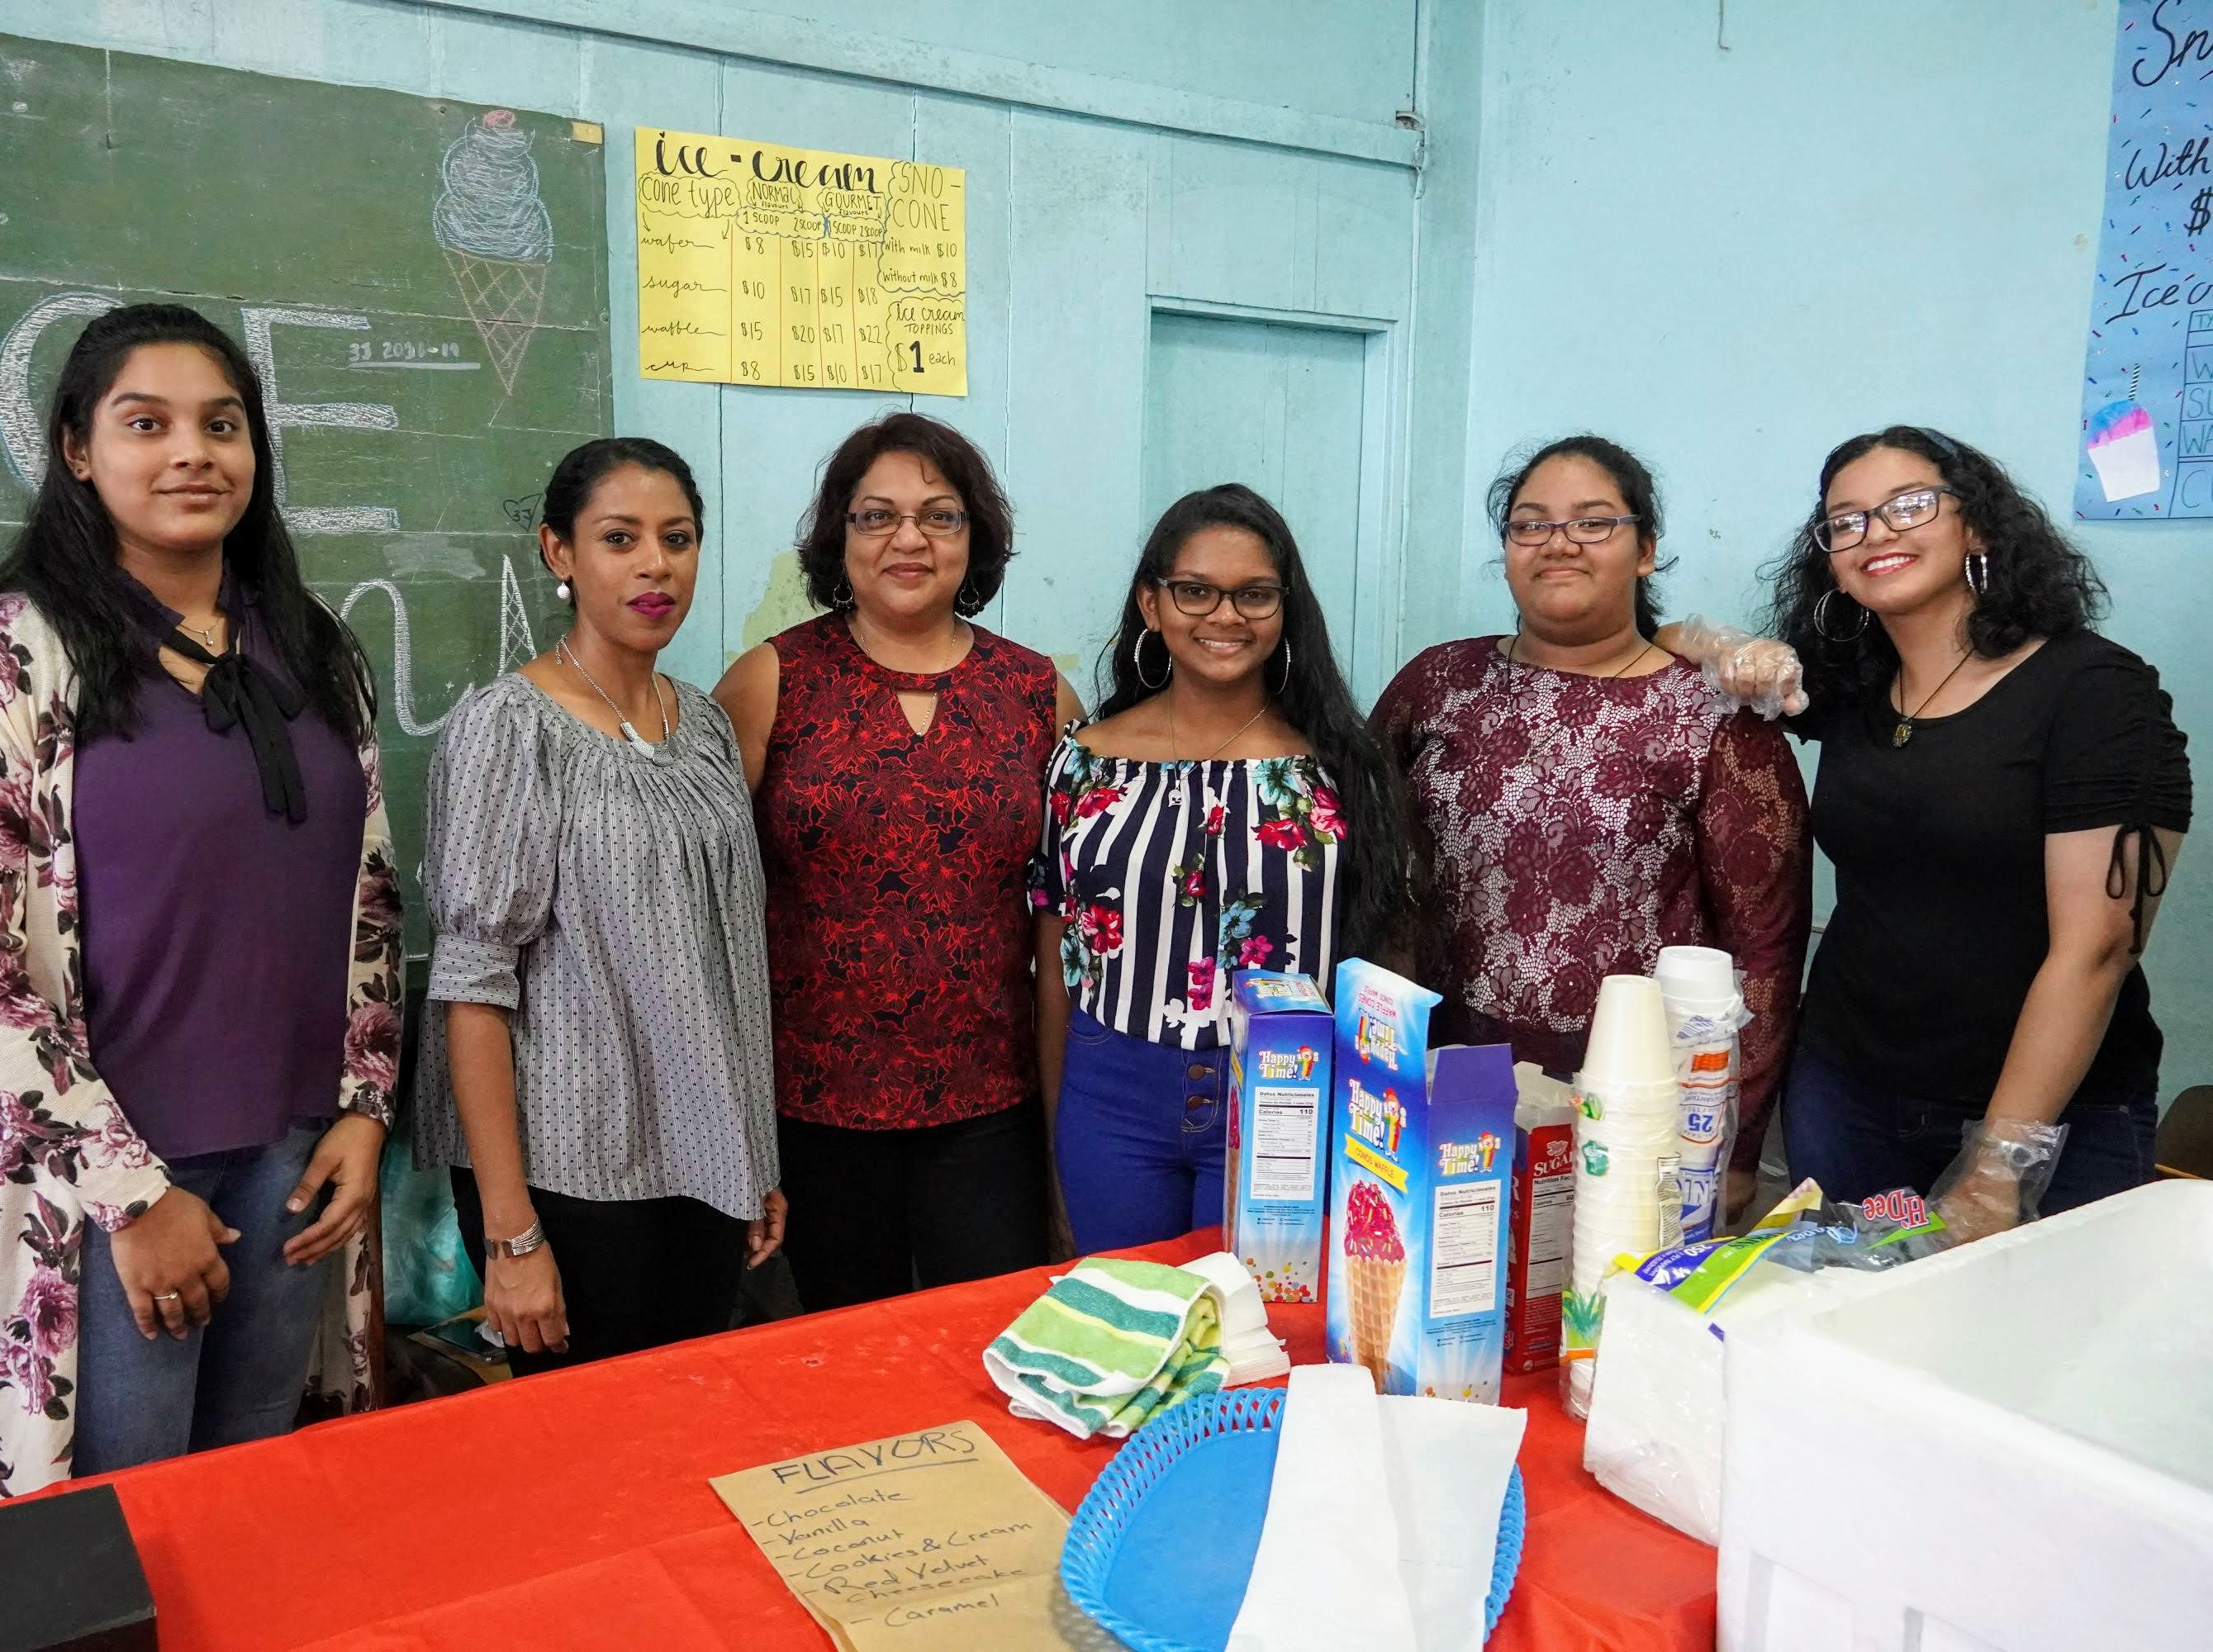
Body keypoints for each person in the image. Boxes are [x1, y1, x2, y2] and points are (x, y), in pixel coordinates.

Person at [0, 304, 401, 1504]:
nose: (192, 453)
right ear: (78, 449)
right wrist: (131, 1190)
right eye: (146, 424)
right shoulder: (1, 657)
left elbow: (373, 895)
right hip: (103, 1189)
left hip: (292, 1161)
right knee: (119, 1529)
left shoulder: (312, 649)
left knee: (253, 1504)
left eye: (222, 425)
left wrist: (366, 1108)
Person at [1743, 425, 2190, 1237]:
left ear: (1977, 526)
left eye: (1910, 504)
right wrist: (1728, 649)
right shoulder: (1854, 689)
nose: (1877, 531)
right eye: (1846, 521)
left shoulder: (2096, 691)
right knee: (1849, 1314)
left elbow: (2098, 949)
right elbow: (1667, 644)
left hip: (2051, 1121)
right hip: (1845, 1090)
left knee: (2033, 1322)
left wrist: (1999, 1161)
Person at [1370, 436, 1811, 1220]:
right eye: (1530, 524)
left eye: (1594, 522)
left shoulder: (1715, 714)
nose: (1559, 543)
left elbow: (1765, 950)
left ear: (1646, 551)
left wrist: (1734, 1146)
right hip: (1445, 1076)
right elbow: (1361, 850)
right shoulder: (1438, 682)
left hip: (1634, 1107)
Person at [419, 438, 783, 1370]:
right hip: (567, 1175)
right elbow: (471, 985)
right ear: (560, 552)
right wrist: (511, 1235)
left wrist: (755, 1155)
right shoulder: (510, 727)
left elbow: (734, 956)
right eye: (620, 538)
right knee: (590, 1435)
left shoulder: (706, 723)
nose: (655, 564)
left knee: (687, 1416)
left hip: (704, 1163)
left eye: (677, 538)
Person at [718, 413, 1080, 1307]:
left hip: (989, 1103)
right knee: (842, 1355)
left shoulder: (1038, 693)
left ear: (974, 537)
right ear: (839, 535)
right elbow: (710, 902)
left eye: (939, 516)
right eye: (877, 516)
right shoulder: (771, 680)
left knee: (985, 1342)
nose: (909, 539)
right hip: (810, 1105)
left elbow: (1074, 918)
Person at [1032, 483, 1416, 1253]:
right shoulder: (1082, 764)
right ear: (1152, 604)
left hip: (1288, 1099)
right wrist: (1052, 1142)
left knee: (1262, 1316)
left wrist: (1376, 1136)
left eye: (1254, 595)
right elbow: (1053, 963)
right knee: (1127, 1310)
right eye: (1196, 591)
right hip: (1110, 1098)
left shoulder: (1344, 771)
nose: (1225, 616)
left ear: (1286, 609)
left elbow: (1388, 960)